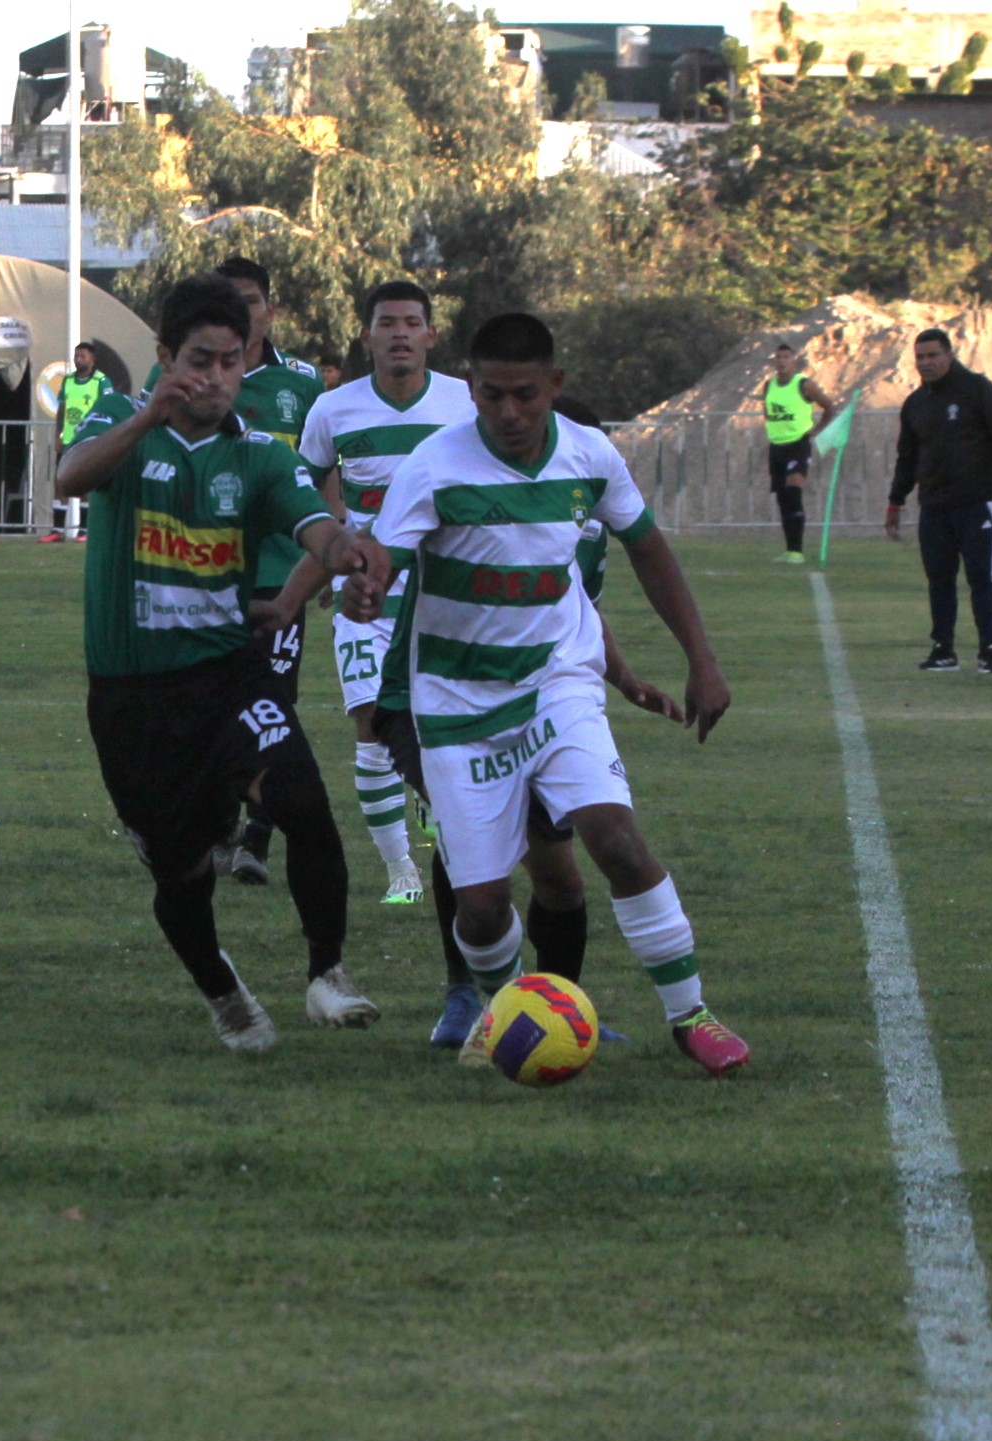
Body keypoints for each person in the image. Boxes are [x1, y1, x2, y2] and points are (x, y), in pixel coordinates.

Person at [348, 311, 750, 1077]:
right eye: (491, 395)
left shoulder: (590, 454)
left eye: (525, 396)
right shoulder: (434, 465)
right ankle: (508, 1013)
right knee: (482, 908)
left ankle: (689, 1013)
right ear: (470, 389)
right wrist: (367, 587)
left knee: (617, 843)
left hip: (554, 686)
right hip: (455, 706)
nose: (508, 413)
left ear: (555, 387)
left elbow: (649, 551)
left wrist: (700, 659)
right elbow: (384, 560)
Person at [55, 272, 380, 1051]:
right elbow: (68, 478)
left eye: (231, 362)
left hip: (228, 676)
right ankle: (224, 991)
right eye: (200, 360)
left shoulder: (260, 458)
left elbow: (316, 529)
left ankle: (327, 975)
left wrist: (350, 556)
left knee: (303, 802)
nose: (216, 378)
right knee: (182, 873)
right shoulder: (117, 418)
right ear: (165, 357)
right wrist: (149, 417)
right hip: (133, 697)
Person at [296, 281, 475, 905]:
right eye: (387, 323)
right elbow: (308, 490)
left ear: (430, 333)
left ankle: (434, 807)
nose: (399, 332)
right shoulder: (333, 410)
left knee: (439, 730)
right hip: (366, 598)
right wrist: (327, 557)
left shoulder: (464, 404)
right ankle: (402, 870)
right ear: (367, 334)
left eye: (411, 322)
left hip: (447, 597)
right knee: (371, 725)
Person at [210, 256, 326, 885]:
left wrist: (330, 561)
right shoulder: (188, 376)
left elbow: (325, 479)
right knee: (210, 703)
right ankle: (220, 826)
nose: (242, 312)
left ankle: (257, 838)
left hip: (283, 574)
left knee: (274, 703)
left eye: (252, 301)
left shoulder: (303, 387)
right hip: (205, 569)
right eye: (228, 300)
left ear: (270, 310)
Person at [886, 327, 992, 675]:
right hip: (934, 505)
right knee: (939, 579)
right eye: (920, 357)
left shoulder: (977, 389)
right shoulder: (916, 403)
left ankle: (988, 650)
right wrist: (895, 501)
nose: (925, 363)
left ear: (949, 355)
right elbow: (907, 457)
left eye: (932, 355)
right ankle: (943, 649)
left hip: (975, 501)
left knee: (981, 579)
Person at [761, 342, 835, 565]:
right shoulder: (768, 386)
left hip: (798, 444)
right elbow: (768, 412)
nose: (781, 361)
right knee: (783, 497)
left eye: (786, 357)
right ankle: (790, 549)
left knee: (793, 490)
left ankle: (798, 551)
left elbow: (829, 407)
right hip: (777, 446)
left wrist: (815, 431)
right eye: (778, 357)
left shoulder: (803, 384)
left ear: (794, 360)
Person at [44, 342, 111, 542]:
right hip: (70, 439)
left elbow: (107, 408)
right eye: (76, 356)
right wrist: (58, 435)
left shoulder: (101, 381)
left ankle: (84, 531)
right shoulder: (68, 380)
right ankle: (57, 531)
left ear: (92, 359)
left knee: (85, 485)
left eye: (82, 356)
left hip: (89, 439)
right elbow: (62, 410)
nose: (78, 359)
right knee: (60, 483)